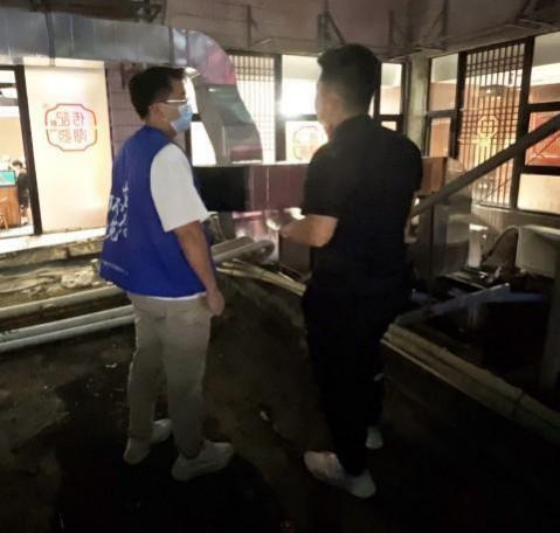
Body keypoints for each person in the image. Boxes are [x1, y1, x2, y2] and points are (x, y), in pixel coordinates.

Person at [281, 44, 422, 498]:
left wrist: (281, 226)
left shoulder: (331, 156)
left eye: (317, 91)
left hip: (343, 292)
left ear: (329, 97)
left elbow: (320, 233)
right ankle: (370, 427)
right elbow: (404, 221)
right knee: (366, 355)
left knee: (338, 376)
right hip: (390, 282)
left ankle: (352, 468)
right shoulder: (404, 149)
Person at [100, 67, 233, 482]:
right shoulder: (168, 156)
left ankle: (139, 438)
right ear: (158, 108)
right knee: (185, 382)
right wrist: (212, 288)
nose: (188, 108)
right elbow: (188, 233)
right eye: (181, 100)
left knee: (146, 362)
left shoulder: (131, 149)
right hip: (177, 293)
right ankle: (192, 455)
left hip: (141, 285)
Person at [12, 160, 30, 224]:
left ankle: (26, 220)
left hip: (23, 192)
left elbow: (25, 184)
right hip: (21, 192)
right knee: (23, 207)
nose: (14, 168)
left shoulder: (23, 173)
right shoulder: (18, 174)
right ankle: (26, 220)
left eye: (14, 166)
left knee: (24, 208)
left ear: (18, 166)